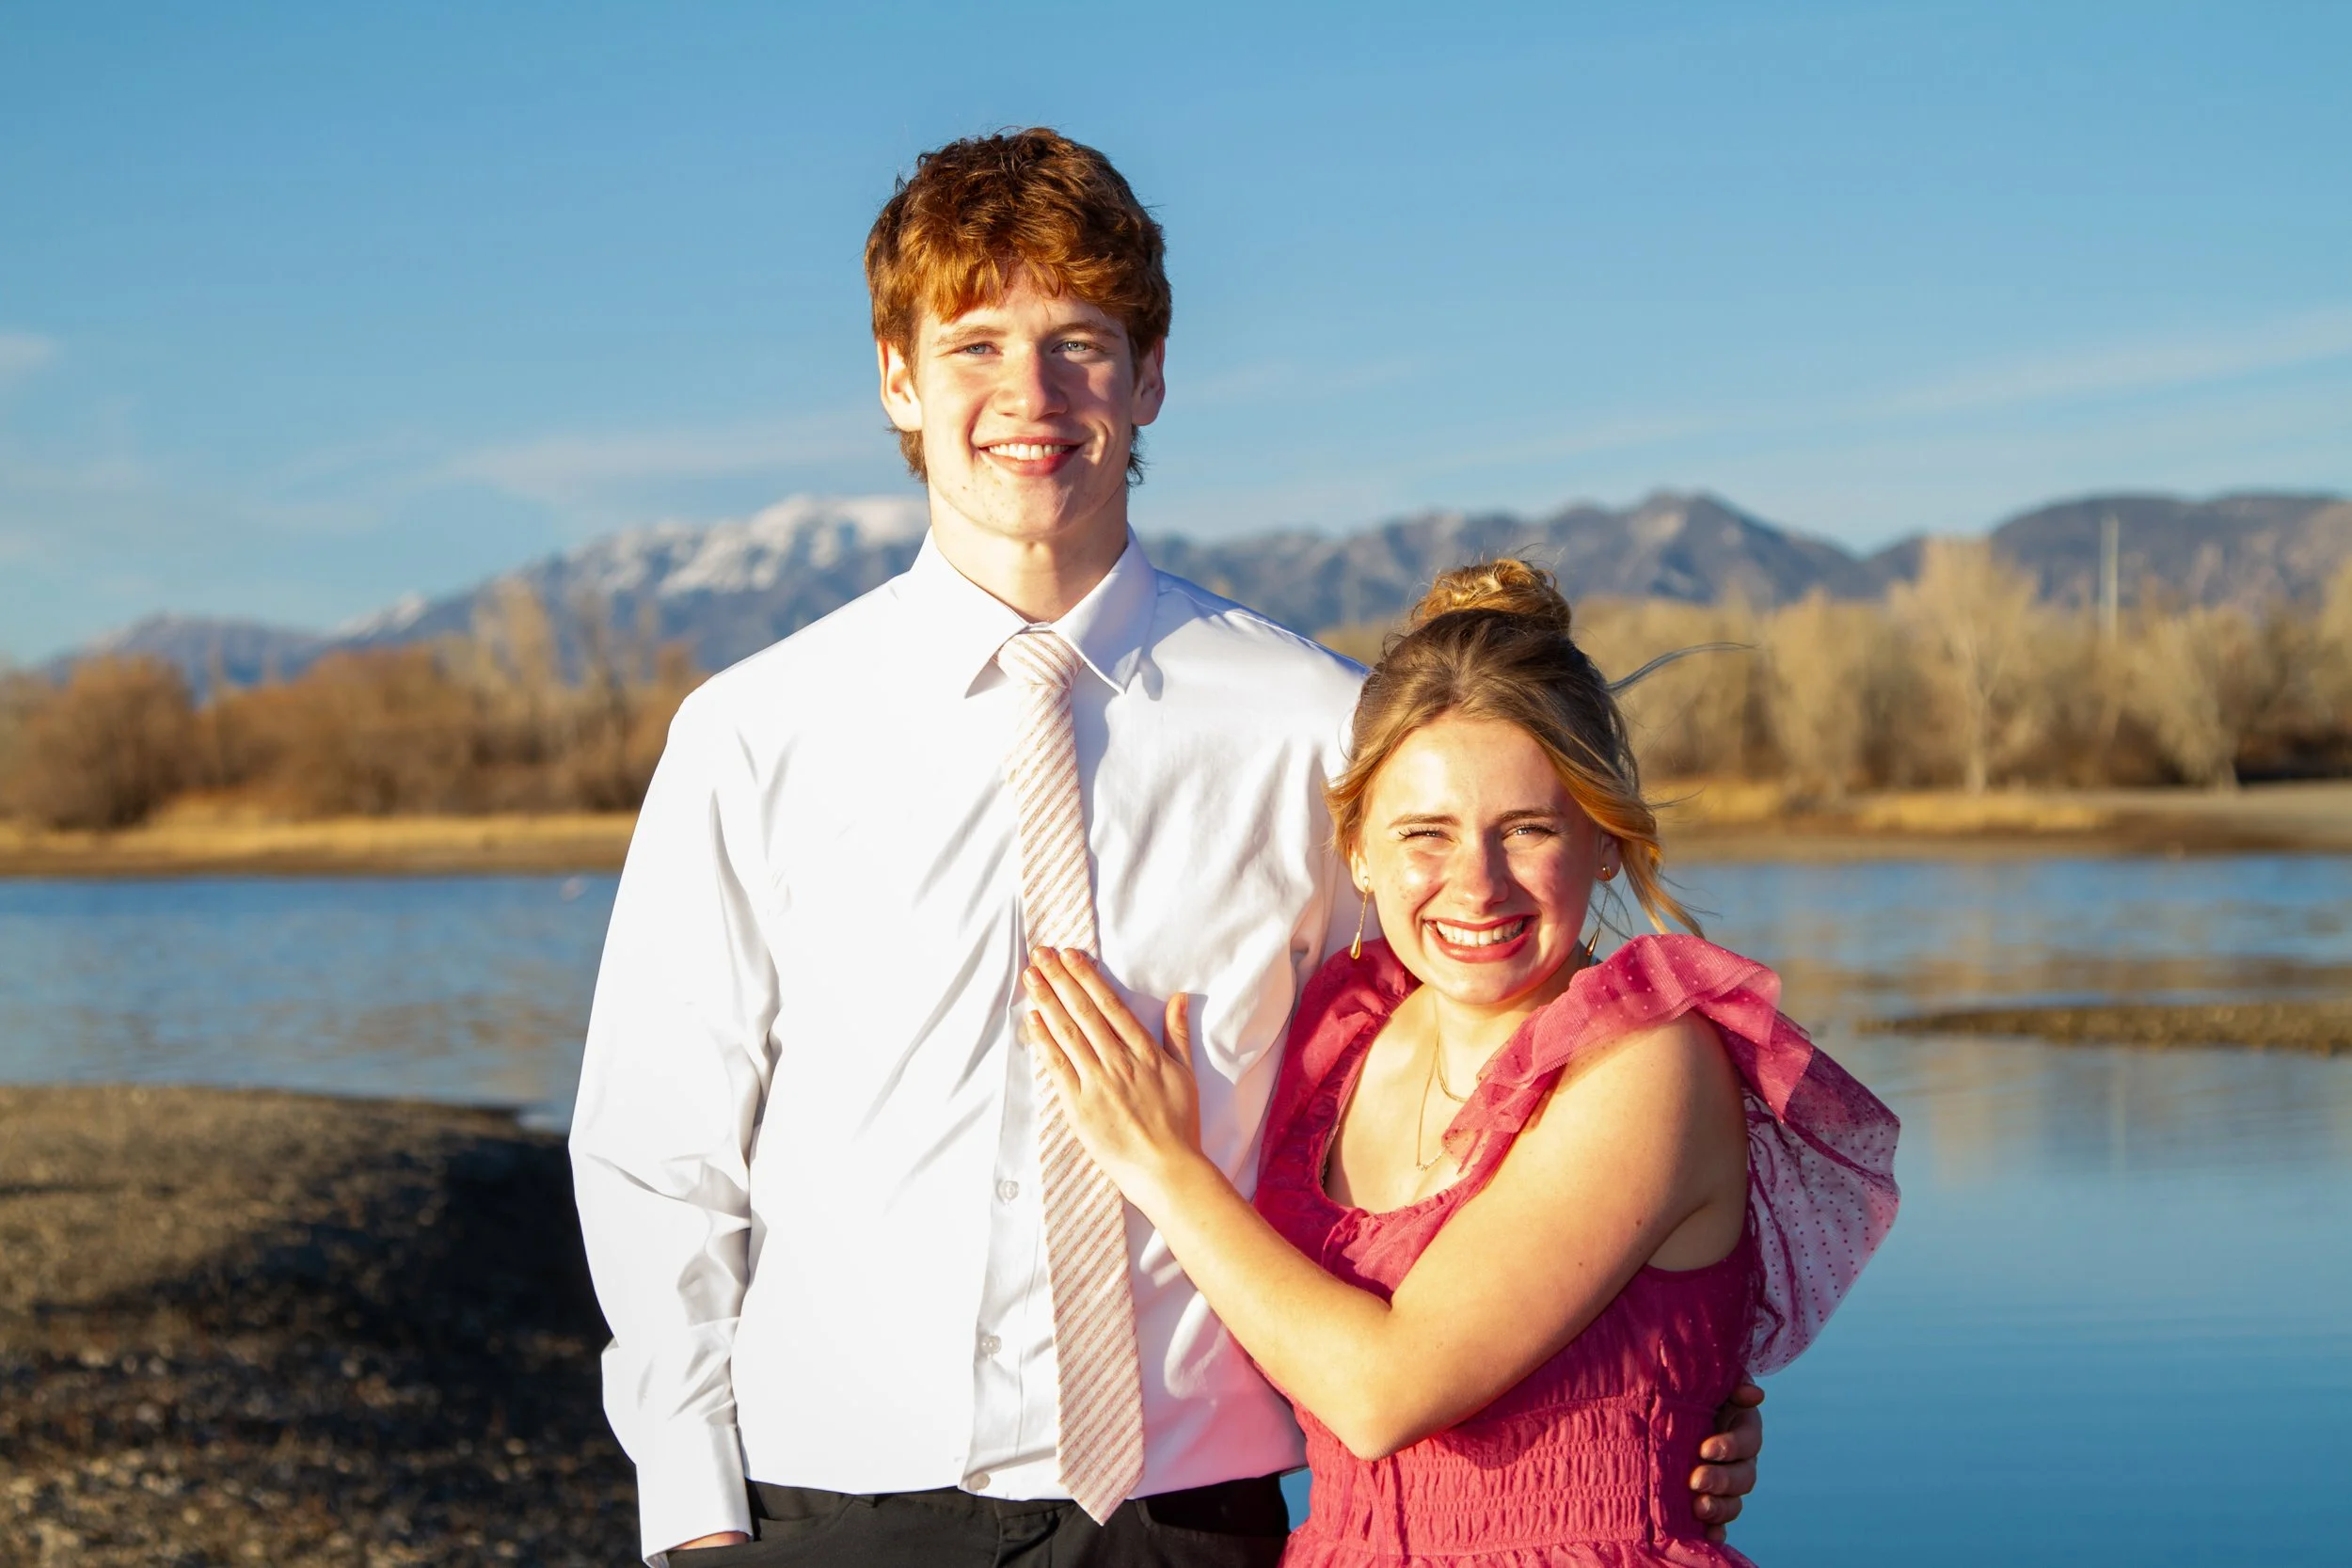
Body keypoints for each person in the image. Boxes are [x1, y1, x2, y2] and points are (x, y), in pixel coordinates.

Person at [569, 129, 1764, 1568]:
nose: (1031, 395)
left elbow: (1492, 1067)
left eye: (1081, 342)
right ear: (896, 374)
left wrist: (1655, 1368)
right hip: (831, 1503)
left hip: (1191, 1517)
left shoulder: (1321, 732)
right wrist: (695, 1517)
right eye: (974, 343)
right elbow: (661, 1156)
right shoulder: (753, 735)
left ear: (1147, 380)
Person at [1019, 559, 1900, 1566]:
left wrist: (1162, 1167)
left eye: (1526, 829)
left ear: (1603, 840)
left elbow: (1379, 1390)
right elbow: (1275, 1327)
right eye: (1423, 833)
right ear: (1356, 847)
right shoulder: (1343, 1035)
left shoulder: (1646, 1063)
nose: (1474, 886)